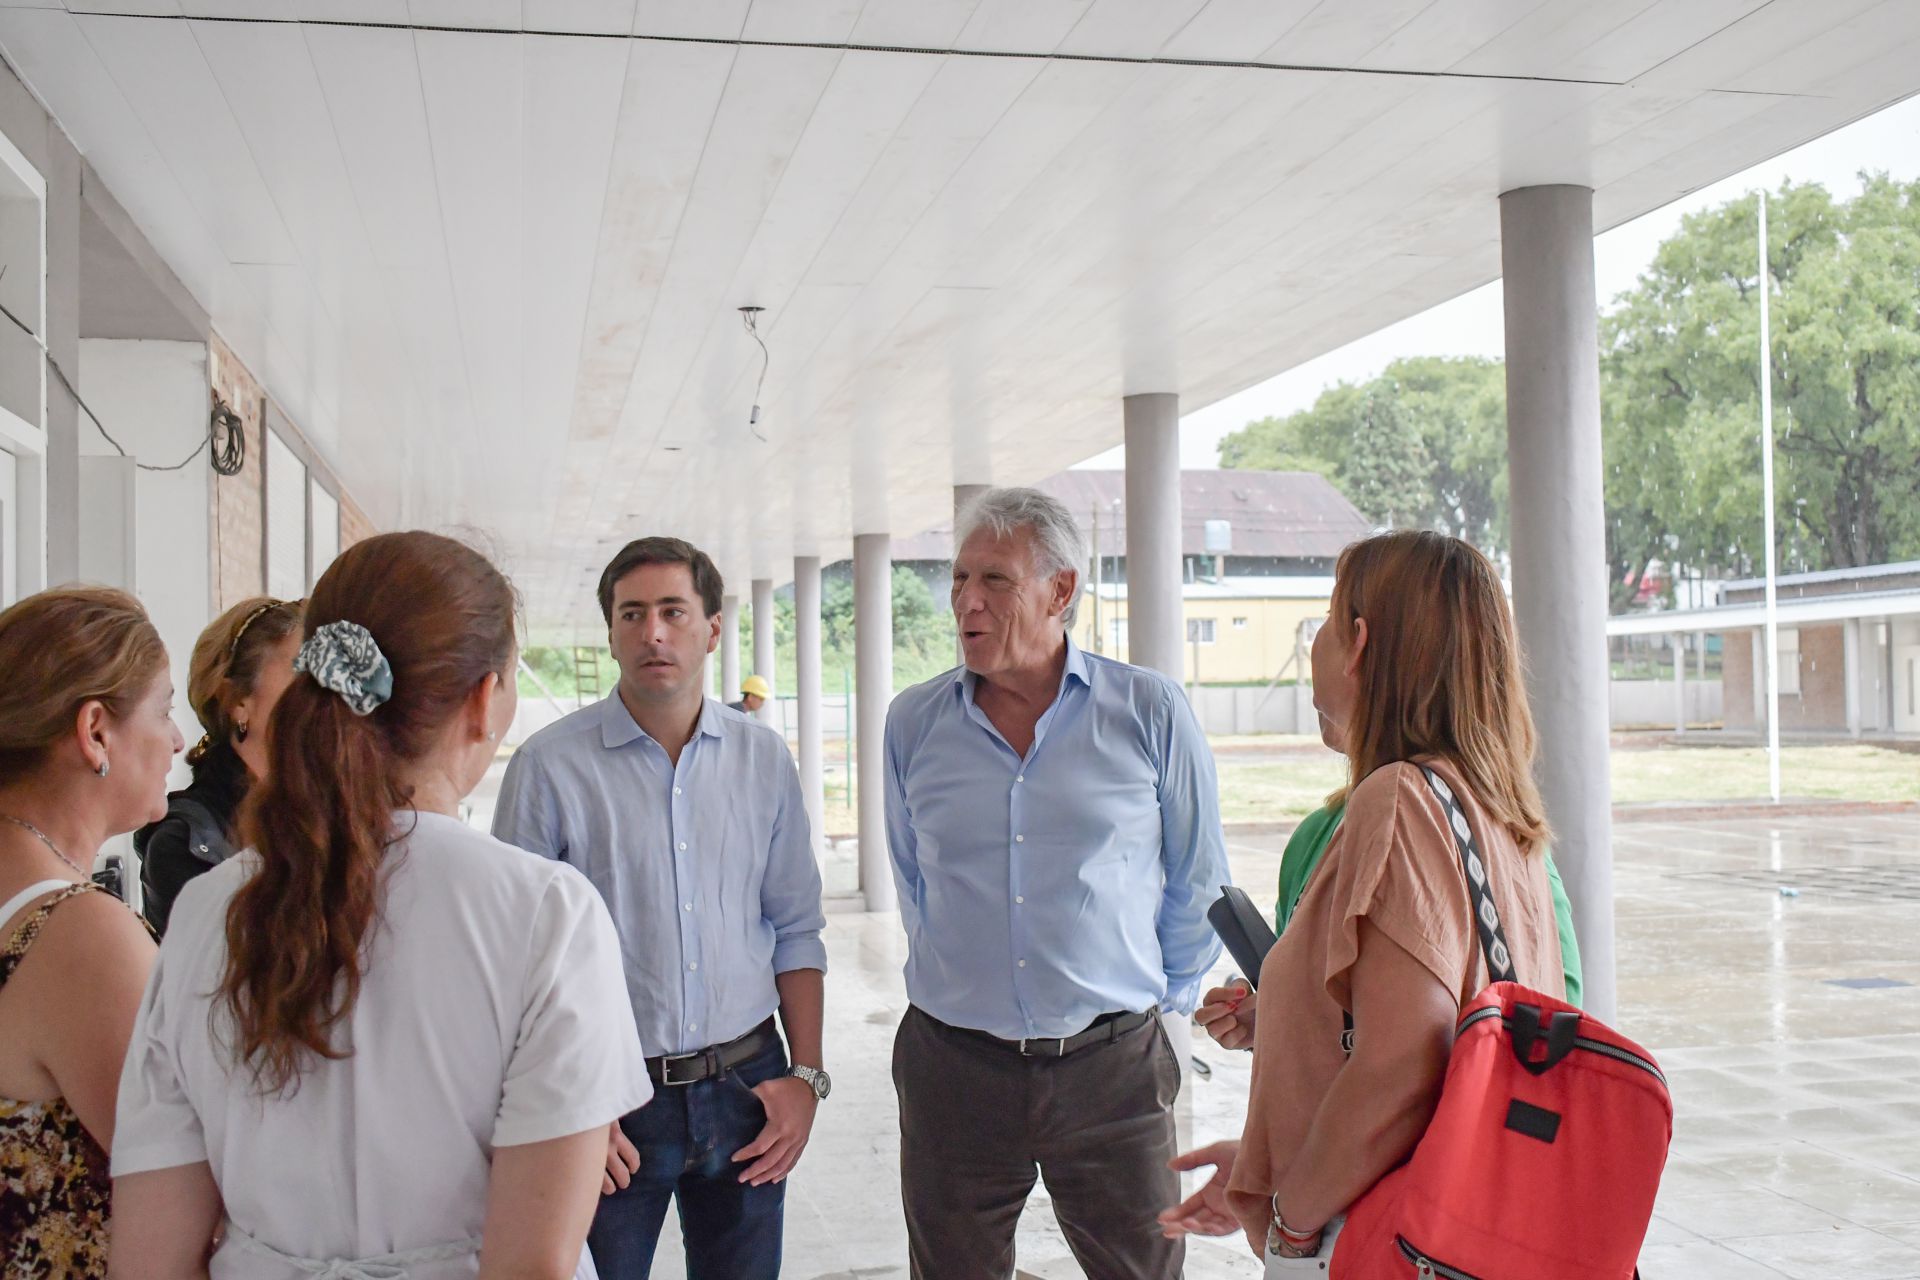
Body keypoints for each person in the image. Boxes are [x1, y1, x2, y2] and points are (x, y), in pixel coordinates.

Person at [110, 531, 651, 1279]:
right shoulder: (545, 915)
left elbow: (149, 1259)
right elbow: (533, 1266)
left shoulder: (208, 910)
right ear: (484, 700)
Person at [1159, 530, 1568, 1270]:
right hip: (1458, 1220)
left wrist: (1293, 1218)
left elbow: (1400, 1070)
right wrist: (1267, 1139)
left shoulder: (1397, 799)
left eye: (1325, 618)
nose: (1313, 643)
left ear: (1358, 644)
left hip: (1375, 1234)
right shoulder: (1493, 809)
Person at [884, 487, 1230, 1280]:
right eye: (960, 579)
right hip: (954, 1071)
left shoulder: (1148, 710)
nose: (967, 601)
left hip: (1112, 1072)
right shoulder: (914, 722)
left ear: (1060, 590)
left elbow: (1198, 878)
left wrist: (1157, 1008)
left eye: (995, 580)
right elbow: (914, 879)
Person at [493, 536, 828, 1280]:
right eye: (632, 614)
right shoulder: (549, 767)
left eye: (674, 611)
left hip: (747, 1089)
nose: (653, 633)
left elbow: (796, 928)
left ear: (712, 629)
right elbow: (515, 961)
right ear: (611, 633)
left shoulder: (763, 759)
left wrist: (806, 1077)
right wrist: (560, 1101)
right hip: (607, 1100)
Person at [1192, 707, 1583, 1055]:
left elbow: (1556, 1004)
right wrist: (1266, 1019)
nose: (1314, 686)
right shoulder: (1315, 834)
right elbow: (1314, 1005)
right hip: (1331, 1108)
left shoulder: (1494, 834)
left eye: (1339, 640)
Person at [0, 587, 176, 1275]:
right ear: (96, 730)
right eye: (164, 709)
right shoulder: (78, 933)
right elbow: (183, 1185)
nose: (178, 740)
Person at [134, 596, 302, 936]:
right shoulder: (184, 842)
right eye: (303, 671)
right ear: (236, 700)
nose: (326, 695)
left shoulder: (323, 810)